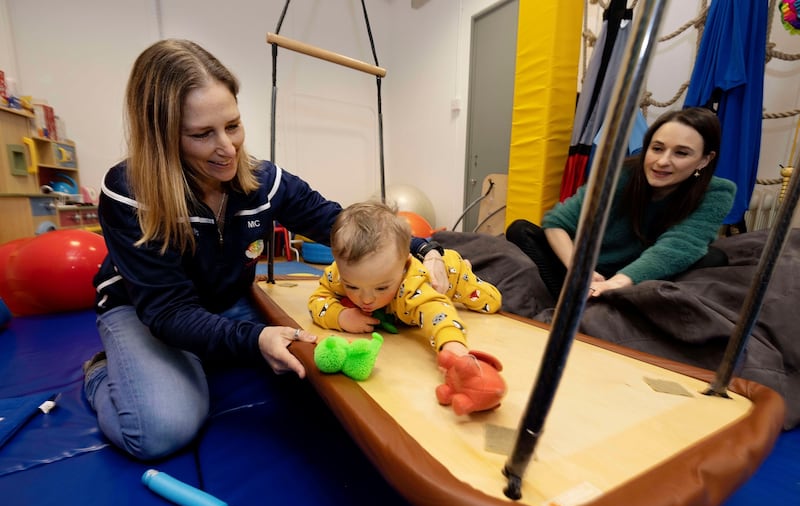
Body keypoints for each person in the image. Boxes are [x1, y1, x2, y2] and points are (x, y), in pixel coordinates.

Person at [83, 39, 447, 461]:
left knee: (316, 354)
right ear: (163, 138)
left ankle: (196, 358)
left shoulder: (263, 180)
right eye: (203, 135)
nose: (227, 148)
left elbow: (340, 224)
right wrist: (254, 338)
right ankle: (101, 373)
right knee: (162, 430)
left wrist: (423, 248)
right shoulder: (129, 193)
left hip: (222, 301)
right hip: (145, 312)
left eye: (233, 125)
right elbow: (168, 312)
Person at [506, 106, 736, 301]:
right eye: (657, 149)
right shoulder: (622, 173)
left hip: (643, 276)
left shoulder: (718, 192)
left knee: (714, 259)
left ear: (705, 160)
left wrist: (615, 284)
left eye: (681, 153)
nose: (662, 161)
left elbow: (678, 247)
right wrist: (580, 270)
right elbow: (557, 222)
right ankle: (573, 300)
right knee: (520, 230)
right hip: (590, 268)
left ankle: (595, 302)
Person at [308, 201, 502, 358]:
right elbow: (318, 298)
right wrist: (340, 316)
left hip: (451, 273)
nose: (366, 299)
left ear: (405, 266)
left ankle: (465, 267)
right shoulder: (341, 273)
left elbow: (437, 311)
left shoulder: (412, 283)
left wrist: (452, 345)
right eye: (352, 286)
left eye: (382, 288)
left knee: (491, 302)